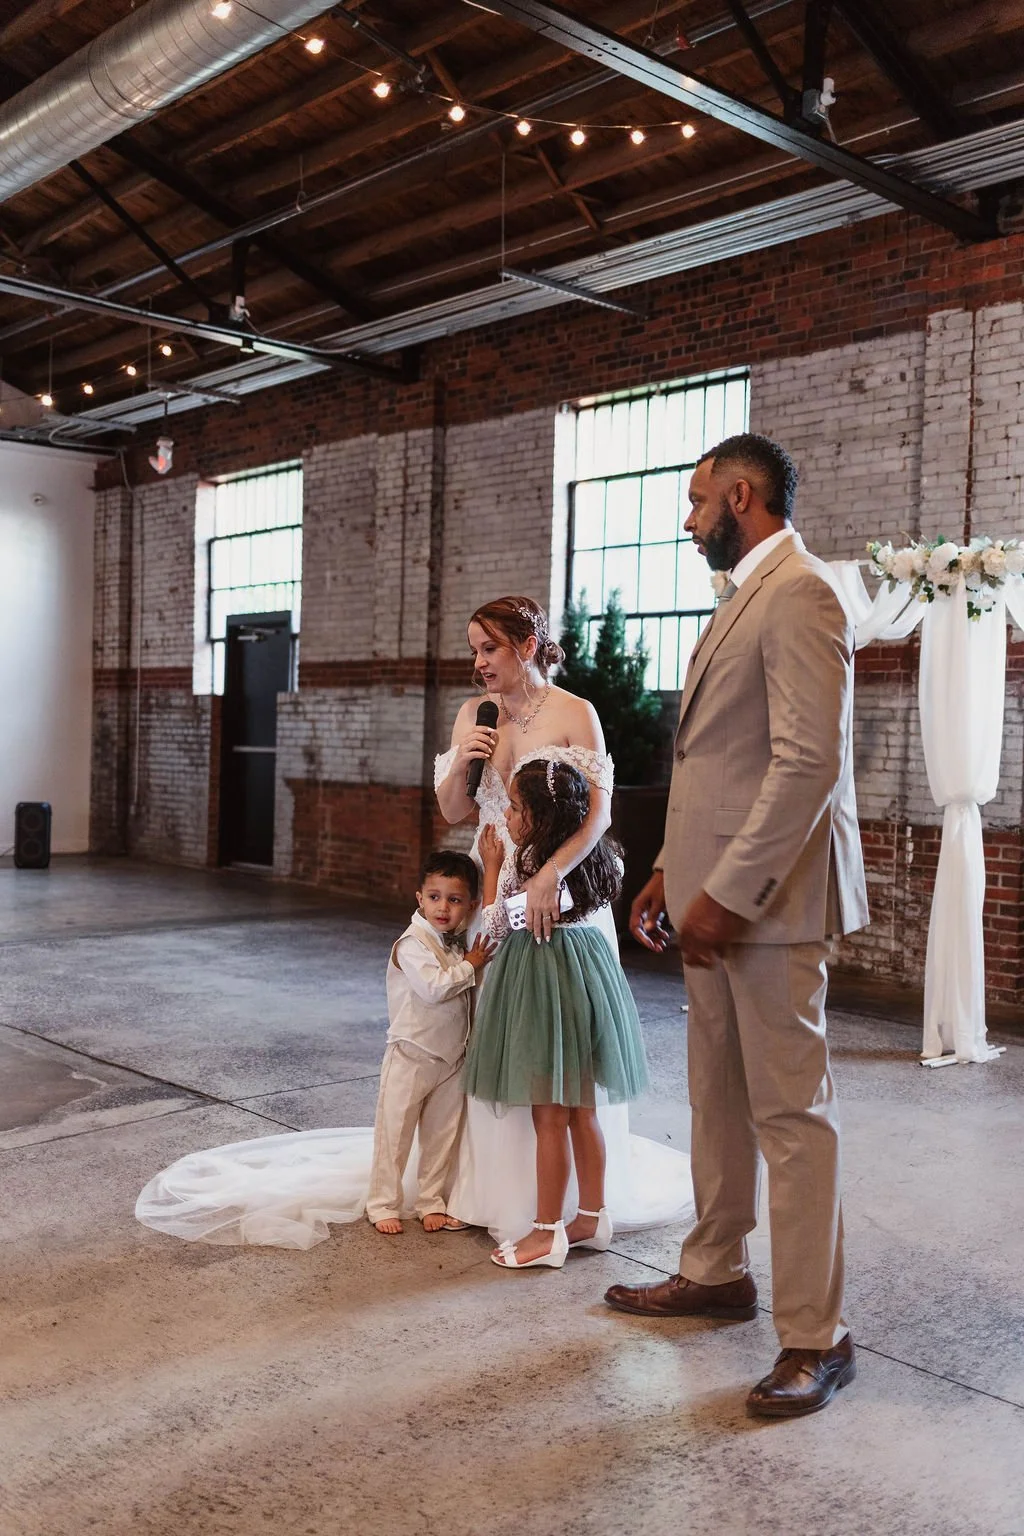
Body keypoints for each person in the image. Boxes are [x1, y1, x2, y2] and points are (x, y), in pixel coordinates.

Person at [603, 434, 869, 1419]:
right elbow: (720, 762)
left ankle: (817, 1336)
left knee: (791, 1120)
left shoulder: (800, 596)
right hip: (710, 895)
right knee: (714, 1096)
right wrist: (672, 872)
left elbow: (806, 766)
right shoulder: (741, 598)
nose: (687, 520)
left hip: (771, 903)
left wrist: (725, 893)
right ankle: (715, 1271)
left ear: (741, 496)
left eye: (695, 501)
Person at [435, 595, 694, 1244]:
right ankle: (497, 1192)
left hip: (564, 890)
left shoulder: (577, 713)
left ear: (526, 646)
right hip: (496, 885)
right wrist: (466, 753)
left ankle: (573, 1209)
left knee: (565, 1055)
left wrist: (549, 875)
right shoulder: (476, 714)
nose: (480, 662)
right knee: (501, 1035)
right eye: (474, 649)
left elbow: (600, 813)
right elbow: (452, 812)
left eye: (490, 648)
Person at [466, 759, 648, 1268]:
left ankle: (546, 1233)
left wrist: (494, 871)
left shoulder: (532, 866)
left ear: (541, 818)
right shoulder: (599, 860)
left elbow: (498, 925)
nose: (508, 813)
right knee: (582, 1110)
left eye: (517, 807)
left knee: (549, 1114)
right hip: (589, 973)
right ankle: (592, 1216)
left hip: (546, 977)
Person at [366, 851, 495, 1236]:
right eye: (435, 897)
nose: (443, 908)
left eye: (455, 900)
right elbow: (434, 989)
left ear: (471, 907)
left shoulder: (457, 943)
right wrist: (471, 965)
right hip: (411, 1053)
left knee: (442, 1136)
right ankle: (382, 1203)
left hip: (451, 1058)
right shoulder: (410, 945)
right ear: (419, 898)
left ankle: (431, 1201)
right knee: (395, 1133)